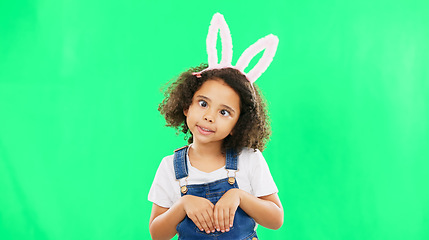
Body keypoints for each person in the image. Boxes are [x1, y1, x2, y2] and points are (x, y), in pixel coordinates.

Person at [148, 13, 283, 240]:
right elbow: (157, 234)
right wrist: (182, 205)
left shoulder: (249, 159)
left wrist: (239, 196)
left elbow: (275, 219)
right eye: (203, 104)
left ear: (238, 125)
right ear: (186, 106)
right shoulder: (169, 167)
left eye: (224, 112)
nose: (209, 117)